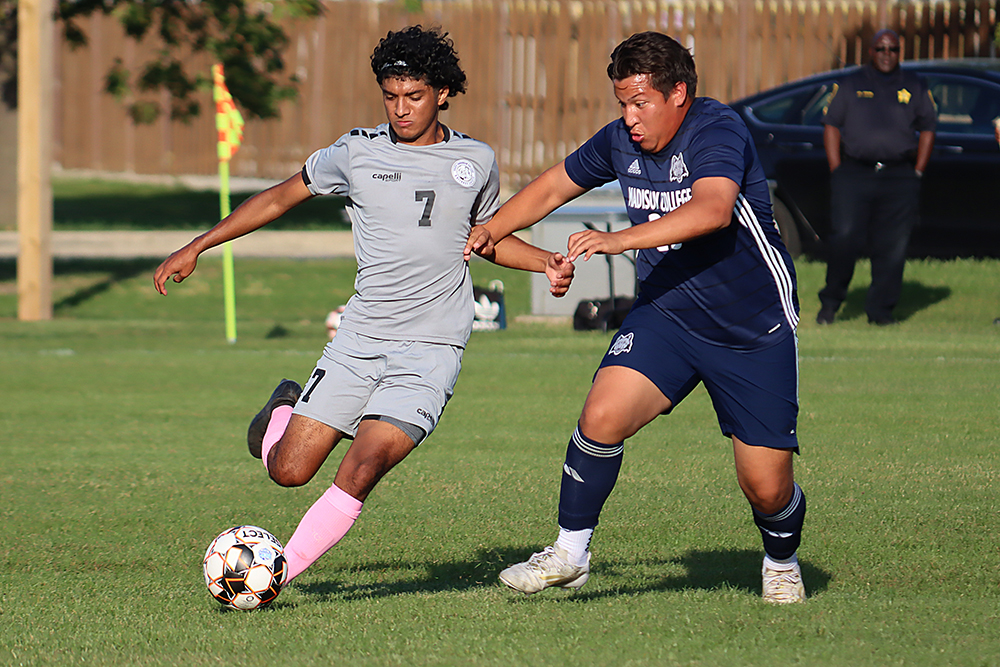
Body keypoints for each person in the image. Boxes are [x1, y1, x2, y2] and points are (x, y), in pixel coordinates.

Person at [153, 25, 574, 585]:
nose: (401, 109)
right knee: (289, 472)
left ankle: (273, 576)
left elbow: (485, 237)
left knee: (365, 464)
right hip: (359, 339)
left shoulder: (476, 161)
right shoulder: (355, 152)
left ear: (442, 92)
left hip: (432, 347)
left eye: (415, 96)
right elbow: (280, 196)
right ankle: (283, 409)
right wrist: (199, 244)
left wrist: (544, 259)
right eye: (391, 96)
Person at [466, 31, 806, 603]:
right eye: (622, 103)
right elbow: (554, 185)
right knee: (601, 415)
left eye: (640, 103)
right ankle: (570, 554)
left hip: (750, 326)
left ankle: (781, 560)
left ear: (679, 93)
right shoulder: (620, 141)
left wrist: (617, 239)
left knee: (766, 487)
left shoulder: (717, 129)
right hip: (666, 314)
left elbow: (713, 209)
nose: (629, 117)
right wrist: (491, 228)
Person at [816, 29, 936, 326]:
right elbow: (831, 125)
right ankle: (831, 302)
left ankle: (880, 311)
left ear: (900, 52)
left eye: (893, 49)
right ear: (871, 51)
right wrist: (837, 168)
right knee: (845, 238)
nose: (887, 54)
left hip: (898, 175)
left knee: (892, 246)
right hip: (854, 173)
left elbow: (929, 127)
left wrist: (918, 170)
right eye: (881, 48)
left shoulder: (915, 85)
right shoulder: (851, 83)